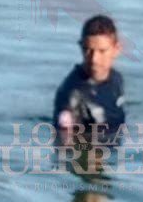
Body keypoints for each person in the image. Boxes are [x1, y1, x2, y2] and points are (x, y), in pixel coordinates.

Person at [52, 15, 127, 146]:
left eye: (102, 51)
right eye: (88, 50)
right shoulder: (71, 95)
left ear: (117, 49)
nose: (94, 59)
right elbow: (64, 146)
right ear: (81, 47)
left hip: (113, 151)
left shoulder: (116, 78)